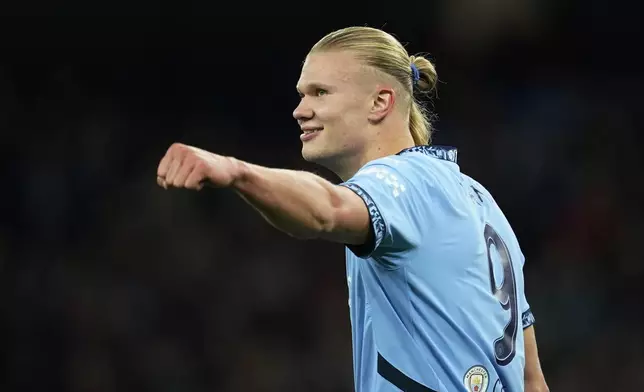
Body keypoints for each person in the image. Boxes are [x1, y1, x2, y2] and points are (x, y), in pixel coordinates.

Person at [156, 26, 549, 392]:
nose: (300, 109)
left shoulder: (404, 182)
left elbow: (327, 208)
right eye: (301, 94)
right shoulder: (478, 198)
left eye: (320, 92)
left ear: (380, 102)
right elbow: (532, 380)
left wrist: (235, 171)